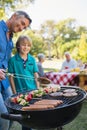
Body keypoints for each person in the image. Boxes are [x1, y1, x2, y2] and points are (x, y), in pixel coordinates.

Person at [0, 10, 32, 130]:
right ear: (14, 16)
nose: (21, 28)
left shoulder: (11, 40)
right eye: (22, 23)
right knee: (3, 117)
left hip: (4, 82)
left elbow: (7, 62)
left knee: (14, 112)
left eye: (24, 27)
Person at [8, 35, 40, 130]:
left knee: (34, 114)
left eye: (28, 45)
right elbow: (11, 77)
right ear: (18, 46)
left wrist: (37, 89)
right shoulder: (12, 60)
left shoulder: (32, 59)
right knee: (24, 117)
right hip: (20, 93)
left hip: (32, 91)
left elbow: (35, 75)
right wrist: (14, 93)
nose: (26, 47)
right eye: (23, 45)